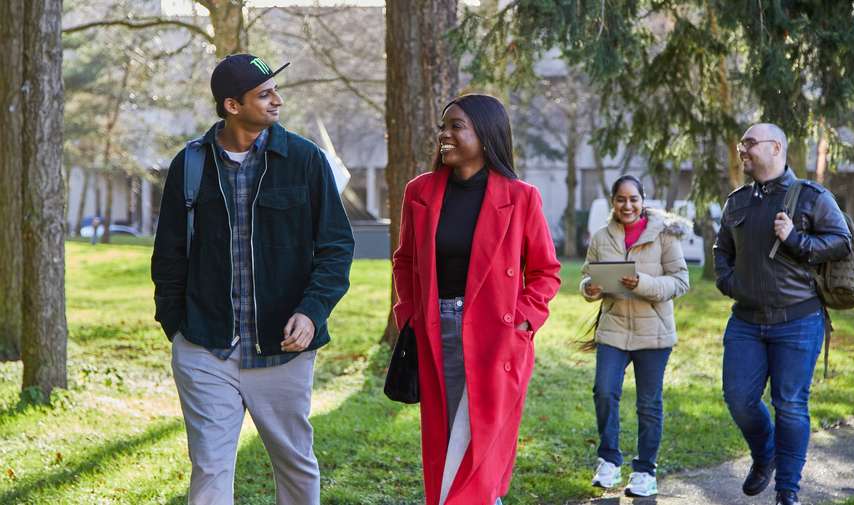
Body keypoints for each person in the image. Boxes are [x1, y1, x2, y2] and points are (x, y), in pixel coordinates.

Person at [151, 53, 354, 505]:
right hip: (206, 348)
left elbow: (336, 248)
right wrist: (178, 327)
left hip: (282, 350)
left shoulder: (304, 159)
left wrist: (312, 310)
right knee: (210, 469)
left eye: (275, 91)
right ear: (231, 106)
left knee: (296, 467)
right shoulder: (190, 165)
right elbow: (168, 255)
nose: (277, 101)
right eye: (264, 94)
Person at [392, 94, 561, 505]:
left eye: (455, 126)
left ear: (485, 136)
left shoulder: (521, 197)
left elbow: (545, 271)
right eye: (442, 127)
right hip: (437, 328)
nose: (444, 135)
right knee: (449, 435)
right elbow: (405, 261)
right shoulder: (420, 192)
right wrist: (410, 315)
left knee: (485, 438)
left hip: (497, 334)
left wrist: (521, 320)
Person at [714, 123, 851, 505]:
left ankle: (787, 490)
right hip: (745, 320)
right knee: (738, 398)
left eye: (749, 143)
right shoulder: (737, 201)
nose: (743, 150)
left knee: (790, 404)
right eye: (742, 143)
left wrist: (795, 240)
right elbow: (721, 249)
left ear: (775, 148)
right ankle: (766, 453)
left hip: (799, 320)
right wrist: (729, 283)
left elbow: (841, 243)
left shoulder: (811, 197)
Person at [579, 174, 690, 497]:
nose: (627, 206)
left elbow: (680, 282)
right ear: (613, 202)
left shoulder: (665, 236)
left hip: (653, 333)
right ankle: (609, 461)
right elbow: (587, 277)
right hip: (613, 330)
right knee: (604, 391)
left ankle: (645, 471)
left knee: (648, 404)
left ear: (643, 201)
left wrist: (642, 283)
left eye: (633, 199)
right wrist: (591, 289)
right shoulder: (601, 237)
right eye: (620, 199)